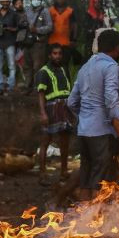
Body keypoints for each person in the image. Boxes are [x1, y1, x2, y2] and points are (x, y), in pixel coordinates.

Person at [67, 30, 119, 199]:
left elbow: (71, 102)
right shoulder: (110, 67)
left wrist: (84, 117)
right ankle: (97, 215)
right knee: (101, 182)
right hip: (101, 132)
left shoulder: (85, 68)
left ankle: (84, 215)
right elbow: (112, 103)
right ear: (117, 48)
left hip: (83, 131)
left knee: (85, 180)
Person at [36, 44, 74, 179]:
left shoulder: (64, 69)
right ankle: (42, 172)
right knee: (46, 140)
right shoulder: (43, 72)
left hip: (64, 107)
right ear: (49, 55)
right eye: (55, 53)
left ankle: (64, 171)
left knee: (65, 140)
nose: (57, 56)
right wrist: (43, 113)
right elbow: (41, 94)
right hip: (51, 107)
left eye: (59, 54)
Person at [21, 0, 54, 90]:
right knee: (27, 66)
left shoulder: (45, 11)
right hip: (27, 42)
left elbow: (50, 27)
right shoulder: (27, 10)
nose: (36, 0)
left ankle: (38, 87)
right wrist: (24, 24)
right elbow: (21, 23)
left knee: (38, 66)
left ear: (41, 0)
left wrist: (37, 30)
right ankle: (28, 85)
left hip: (39, 43)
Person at [0, 0, 21, 94]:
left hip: (10, 42)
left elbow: (18, 28)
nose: (5, 3)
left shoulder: (14, 14)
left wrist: (9, 28)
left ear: (9, 2)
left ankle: (10, 87)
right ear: (0, 2)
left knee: (11, 66)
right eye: (3, 2)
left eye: (7, 2)